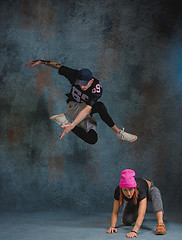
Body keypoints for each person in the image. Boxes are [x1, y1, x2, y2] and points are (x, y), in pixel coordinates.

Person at [25, 60, 137, 145]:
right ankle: (118, 133)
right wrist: (41, 61)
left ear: (91, 81)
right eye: (80, 83)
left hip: (85, 112)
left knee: (93, 139)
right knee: (100, 106)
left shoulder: (96, 89)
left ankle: (65, 122)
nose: (81, 86)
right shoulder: (74, 75)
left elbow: (88, 109)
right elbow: (58, 66)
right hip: (73, 107)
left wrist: (72, 125)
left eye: (85, 84)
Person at [107, 169, 166, 238]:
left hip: (149, 191)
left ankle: (160, 223)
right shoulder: (118, 191)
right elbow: (115, 212)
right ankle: (138, 206)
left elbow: (141, 215)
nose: (128, 193)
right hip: (135, 197)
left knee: (155, 192)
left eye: (131, 189)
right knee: (127, 221)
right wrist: (112, 226)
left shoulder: (140, 189)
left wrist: (134, 231)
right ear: (121, 189)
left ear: (134, 188)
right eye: (125, 190)